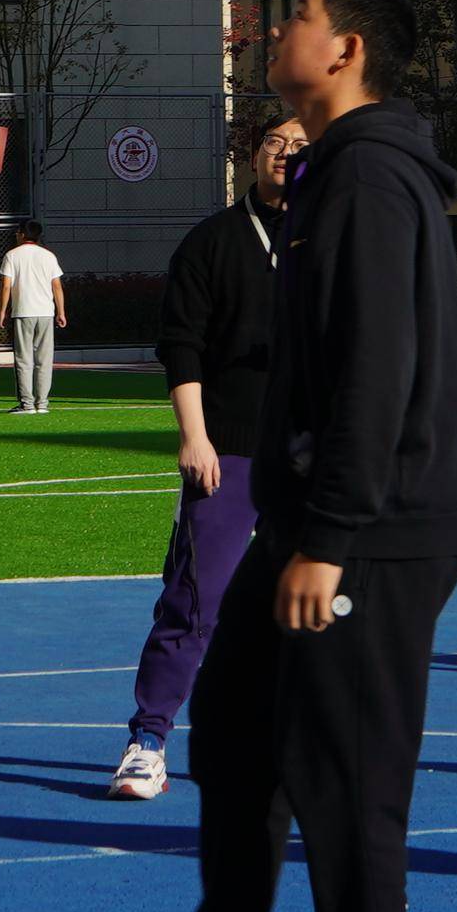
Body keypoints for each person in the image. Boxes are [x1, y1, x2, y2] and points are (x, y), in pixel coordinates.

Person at [191, 0, 457, 912]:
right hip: (321, 514)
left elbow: (375, 368)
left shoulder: (367, 178)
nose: (279, 28)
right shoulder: (332, 171)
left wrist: (329, 538)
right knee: (236, 727)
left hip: (376, 523)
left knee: (346, 778)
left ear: (346, 50)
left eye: (302, 16)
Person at [109, 114, 304, 801]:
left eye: (304, 146)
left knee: (318, 606)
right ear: (254, 156)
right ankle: (148, 741)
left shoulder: (338, 241)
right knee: (196, 599)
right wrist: (194, 436)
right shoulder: (213, 241)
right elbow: (181, 345)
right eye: (276, 142)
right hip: (231, 449)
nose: (287, 154)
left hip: (312, 458)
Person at [0, 218, 67, 413]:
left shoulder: (12, 255)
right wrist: (61, 311)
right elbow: (56, 286)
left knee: (23, 359)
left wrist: (3, 310)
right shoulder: (48, 256)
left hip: (23, 312)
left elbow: (6, 285)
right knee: (44, 359)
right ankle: (42, 403)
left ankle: (27, 403)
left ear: (21, 234)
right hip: (46, 312)